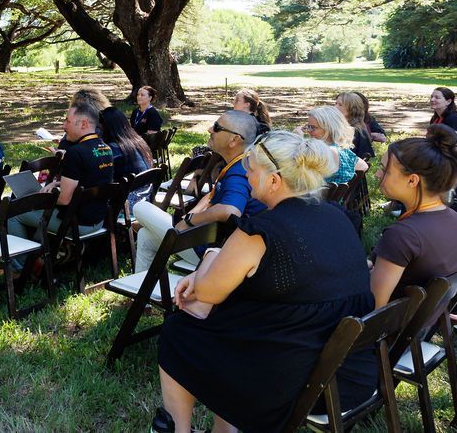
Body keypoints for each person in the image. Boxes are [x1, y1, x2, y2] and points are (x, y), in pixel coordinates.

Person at [153, 132, 377, 433]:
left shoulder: (261, 232)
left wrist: (211, 254)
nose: (245, 174)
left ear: (274, 181)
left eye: (252, 170)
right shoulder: (337, 215)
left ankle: (177, 429)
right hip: (351, 370)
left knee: (178, 331)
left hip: (293, 380)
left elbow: (207, 291)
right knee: (224, 325)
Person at [132, 110, 263, 273]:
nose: (210, 130)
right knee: (145, 236)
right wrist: (192, 215)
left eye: (217, 127)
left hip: (215, 253)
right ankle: (143, 295)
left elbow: (230, 210)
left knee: (140, 208)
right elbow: (213, 196)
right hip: (216, 243)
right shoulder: (244, 162)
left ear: (234, 140)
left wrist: (190, 220)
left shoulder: (239, 171)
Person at [8, 102, 113, 264]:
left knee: (14, 213)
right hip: (97, 220)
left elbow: (64, 200)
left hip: (77, 223)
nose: (64, 126)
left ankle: (22, 267)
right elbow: (90, 179)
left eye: (67, 121)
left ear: (84, 123)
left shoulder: (75, 153)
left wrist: (37, 199)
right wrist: (56, 184)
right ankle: (40, 254)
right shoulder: (105, 148)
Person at [369, 125, 457, 308]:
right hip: (420, 324)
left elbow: (373, 306)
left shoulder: (403, 235)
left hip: (390, 330)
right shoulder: (454, 219)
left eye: (385, 170)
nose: (378, 174)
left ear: (412, 180)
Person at [299, 106, 368, 183]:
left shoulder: (325, 152)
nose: (308, 131)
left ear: (329, 129)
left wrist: (298, 141)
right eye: (308, 126)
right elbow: (364, 166)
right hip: (337, 194)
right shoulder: (342, 151)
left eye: (313, 127)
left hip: (319, 195)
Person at [336, 92, 375, 160]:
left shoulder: (358, 132)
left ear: (351, 109)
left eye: (340, 105)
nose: (335, 107)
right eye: (335, 103)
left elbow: (363, 159)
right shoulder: (336, 126)